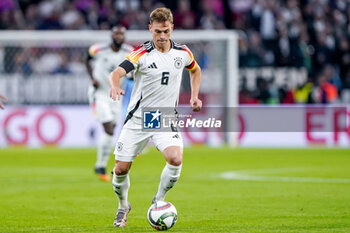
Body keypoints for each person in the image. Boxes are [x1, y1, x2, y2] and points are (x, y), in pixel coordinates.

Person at [109, 7, 202, 227]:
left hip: (164, 117)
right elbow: (117, 72)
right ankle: (123, 206)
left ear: (172, 28)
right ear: (150, 29)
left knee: (176, 159)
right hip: (138, 119)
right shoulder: (140, 53)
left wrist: (195, 96)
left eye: (166, 32)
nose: (162, 37)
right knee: (120, 169)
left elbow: (195, 70)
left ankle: (159, 200)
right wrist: (114, 86)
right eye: (158, 31)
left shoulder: (183, 52)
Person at [86, 26, 134, 181]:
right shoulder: (99, 50)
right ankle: (100, 165)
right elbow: (87, 58)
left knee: (111, 129)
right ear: (112, 36)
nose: (119, 37)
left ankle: (100, 165)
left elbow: (133, 69)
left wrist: (132, 77)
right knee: (108, 127)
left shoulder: (129, 51)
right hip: (100, 93)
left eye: (122, 34)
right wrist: (92, 78)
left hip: (116, 96)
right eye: (117, 34)